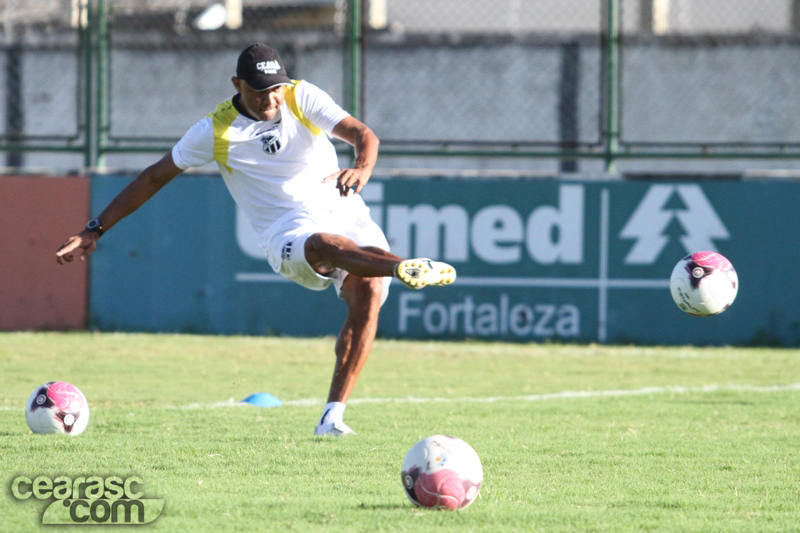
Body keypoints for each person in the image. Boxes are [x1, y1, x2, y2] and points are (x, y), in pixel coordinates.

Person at [55, 43, 456, 436]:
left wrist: (363, 169)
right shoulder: (216, 129)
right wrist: (94, 229)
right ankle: (400, 267)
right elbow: (153, 177)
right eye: (262, 90)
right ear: (238, 84)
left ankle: (331, 418)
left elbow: (363, 135)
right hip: (286, 232)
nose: (272, 98)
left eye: (276, 88)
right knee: (323, 245)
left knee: (367, 291)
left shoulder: (301, 96)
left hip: (345, 211)